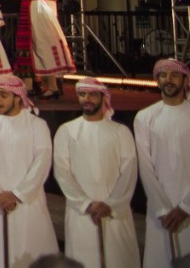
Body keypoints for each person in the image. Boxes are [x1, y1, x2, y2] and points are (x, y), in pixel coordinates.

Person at [53, 78, 139, 268]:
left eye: (92, 94)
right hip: (81, 211)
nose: (87, 99)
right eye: (82, 94)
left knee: (118, 259)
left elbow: (129, 172)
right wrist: (86, 204)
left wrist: (111, 204)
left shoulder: (121, 132)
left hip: (115, 211)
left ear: (103, 98)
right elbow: (62, 173)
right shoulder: (66, 131)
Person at [0, 74, 59, 267]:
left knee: (29, 253)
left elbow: (42, 163)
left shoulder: (37, 125)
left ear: (18, 98)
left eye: (3, 95)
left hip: (28, 203)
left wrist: (17, 194)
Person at [134, 58, 190, 267]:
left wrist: (185, 207)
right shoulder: (144, 117)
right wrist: (163, 209)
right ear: (157, 81)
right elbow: (145, 167)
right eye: (163, 76)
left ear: (185, 80)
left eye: (174, 75)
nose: (168, 80)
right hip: (160, 210)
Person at [0, 0, 73, 98]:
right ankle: (28, 86)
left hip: (38, 9)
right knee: (26, 46)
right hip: (28, 8)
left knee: (44, 45)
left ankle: (53, 86)